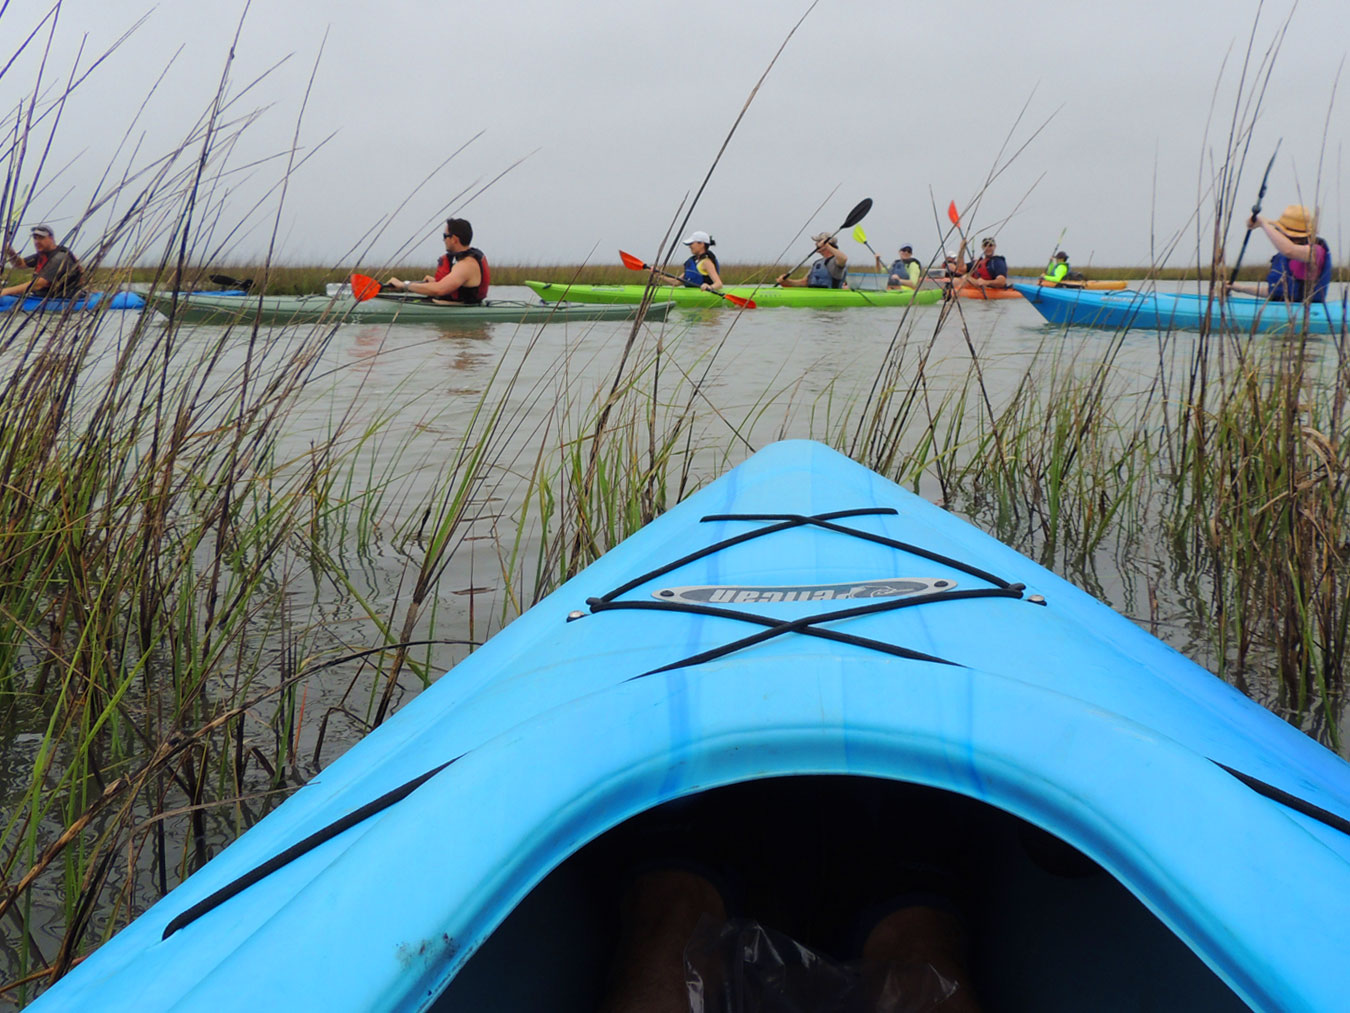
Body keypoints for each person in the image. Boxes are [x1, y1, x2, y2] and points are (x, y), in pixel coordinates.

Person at [1226, 204, 1331, 302]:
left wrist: (1264, 224)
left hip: (1306, 311)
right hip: (1285, 308)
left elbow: (1289, 250)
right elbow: (1274, 292)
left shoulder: (1315, 251)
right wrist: (1239, 288)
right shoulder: (1289, 254)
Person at [387, 218, 488, 304]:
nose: (443, 240)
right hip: (457, 304)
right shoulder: (464, 262)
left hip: (461, 309)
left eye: (445, 236)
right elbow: (448, 286)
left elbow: (439, 290)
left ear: (454, 239)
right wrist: (436, 282)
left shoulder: (466, 265)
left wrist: (404, 285)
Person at [2, 224, 84, 299]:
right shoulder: (42, 255)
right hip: (44, 297)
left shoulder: (60, 258)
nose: (37, 242)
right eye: (35, 238)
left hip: (63, 299)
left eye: (41, 238)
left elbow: (39, 284)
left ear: (51, 239)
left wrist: (5, 291)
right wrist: (10, 251)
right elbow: (20, 264)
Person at [777, 232, 849, 288]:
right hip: (814, 293)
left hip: (831, 295)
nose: (816, 244)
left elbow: (844, 258)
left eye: (818, 241)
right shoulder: (818, 262)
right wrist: (788, 282)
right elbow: (805, 282)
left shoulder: (836, 261)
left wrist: (827, 245)